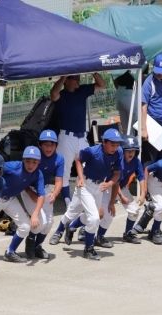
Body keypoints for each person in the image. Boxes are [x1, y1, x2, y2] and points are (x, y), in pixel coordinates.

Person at [49, 129, 123, 260]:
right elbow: (78, 160)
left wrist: (110, 183)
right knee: (83, 215)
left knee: (94, 216)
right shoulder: (92, 151)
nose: (115, 147)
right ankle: (83, 246)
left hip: (100, 186)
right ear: (103, 142)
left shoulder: (118, 153)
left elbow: (117, 173)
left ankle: (71, 228)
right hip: (85, 184)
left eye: (117, 144)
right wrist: (81, 178)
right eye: (112, 144)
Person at [50, 72, 106, 206]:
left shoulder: (82, 90)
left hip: (82, 138)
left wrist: (94, 72)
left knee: (91, 167)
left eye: (78, 77)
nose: (78, 80)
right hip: (66, 137)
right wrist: (64, 75)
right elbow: (53, 93)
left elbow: (102, 85)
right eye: (75, 78)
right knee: (64, 171)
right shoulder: (61, 94)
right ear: (67, 81)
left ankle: (89, 198)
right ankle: (67, 201)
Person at [21, 130, 65, 258]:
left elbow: (59, 181)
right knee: (41, 221)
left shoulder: (59, 159)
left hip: (44, 189)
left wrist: (55, 194)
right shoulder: (33, 156)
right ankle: (30, 240)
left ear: (56, 145)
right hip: (29, 189)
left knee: (49, 222)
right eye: (46, 144)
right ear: (39, 145)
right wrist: (30, 193)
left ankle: (38, 246)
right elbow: (22, 178)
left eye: (52, 144)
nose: (49, 147)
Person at [141, 54, 162, 165]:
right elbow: (143, 107)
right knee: (150, 160)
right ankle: (145, 182)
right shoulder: (148, 82)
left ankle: (158, 182)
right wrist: (144, 128)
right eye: (158, 70)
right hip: (152, 126)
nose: (160, 73)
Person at [114, 70, 137, 136]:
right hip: (131, 91)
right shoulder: (141, 60)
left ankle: (126, 144)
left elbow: (114, 77)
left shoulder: (117, 59)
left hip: (120, 91)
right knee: (135, 124)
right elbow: (141, 78)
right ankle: (133, 144)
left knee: (125, 127)